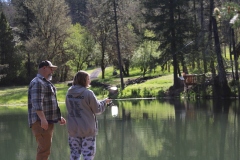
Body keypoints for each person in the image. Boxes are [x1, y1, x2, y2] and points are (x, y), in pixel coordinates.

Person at [65, 70, 111, 160]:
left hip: (73, 130)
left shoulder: (68, 93)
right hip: (87, 130)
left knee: (74, 156)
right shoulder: (88, 93)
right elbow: (97, 109)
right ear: (83, 80)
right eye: (88, 79)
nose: (89, 81)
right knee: (88, 156)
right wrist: (104, 103)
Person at [28, 60, 66, 160]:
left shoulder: (45, 83)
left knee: (45, 149)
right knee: (44, 150)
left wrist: (58, 117)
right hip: (41, 122)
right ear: (44, 68)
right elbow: (37, 103)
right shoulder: (37, 82)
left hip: (46, 121)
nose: (52, 72)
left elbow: (50, 102)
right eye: (51, 69)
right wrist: (43, 119)